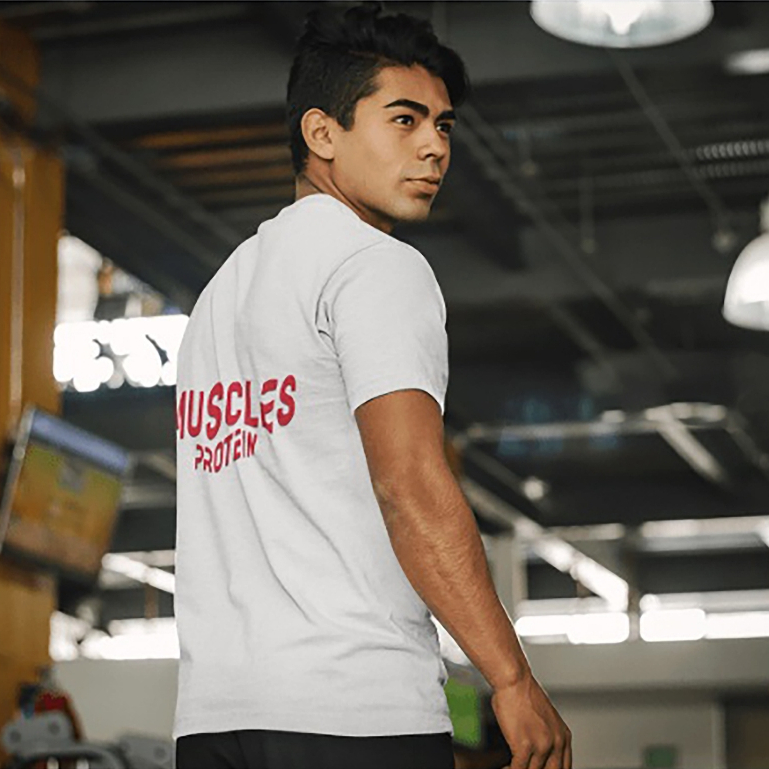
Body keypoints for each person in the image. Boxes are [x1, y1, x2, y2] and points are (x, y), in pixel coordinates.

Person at [173, 5, 571, 769]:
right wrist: (510, 677)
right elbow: (409, 484)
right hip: (352, 710)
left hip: (215, 720)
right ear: (322, 133)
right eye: (404, 119)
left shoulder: (218, 298)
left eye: (443, 125)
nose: (434, 146)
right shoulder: (373, 266)